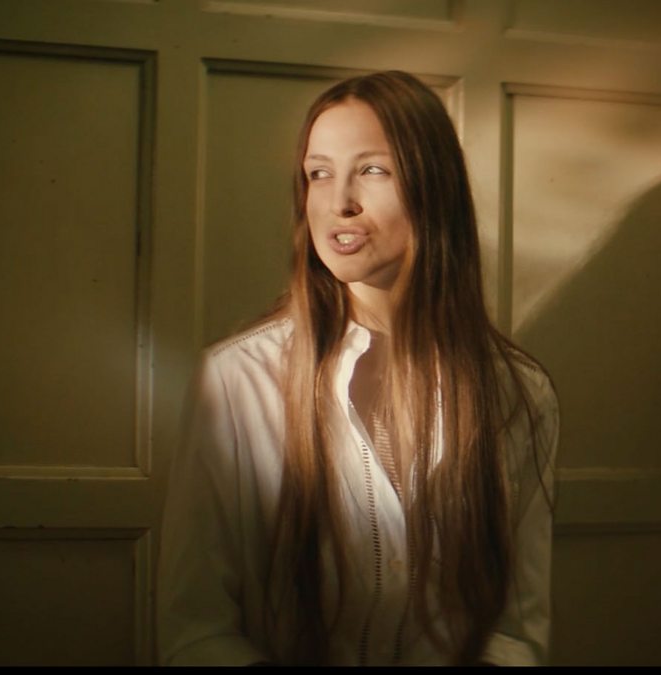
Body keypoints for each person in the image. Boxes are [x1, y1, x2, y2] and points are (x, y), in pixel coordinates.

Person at [156, 71, 559, 666]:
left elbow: (517, 632)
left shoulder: (517, 392)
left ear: (433, 187)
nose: (339, 201)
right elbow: (196, 631)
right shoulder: (234, 381)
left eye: (372, 170)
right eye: (318, 173)